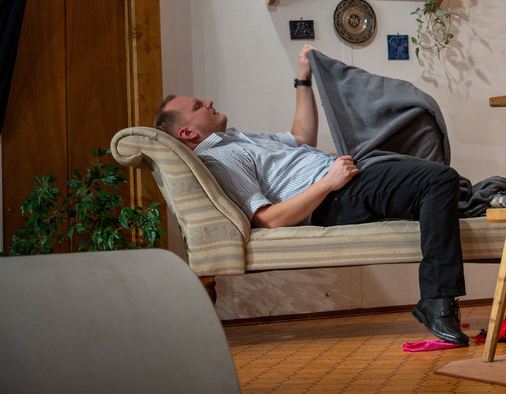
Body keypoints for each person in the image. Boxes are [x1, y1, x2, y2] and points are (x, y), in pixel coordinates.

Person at [153, 45, 469, 346]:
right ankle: (436, 301)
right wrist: (328, 183)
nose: (208, 102)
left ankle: (458, 228)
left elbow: (301, 136)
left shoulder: (235, 139)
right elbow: (267, 219)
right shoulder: (217, 159)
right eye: (197, 106)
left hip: (345, 180)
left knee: (440, 181)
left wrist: (303, 78)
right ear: (187, 133)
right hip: (334, 198)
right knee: (438, 179)